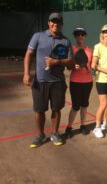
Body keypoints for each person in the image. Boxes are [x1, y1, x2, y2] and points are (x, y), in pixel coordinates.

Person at [23, 12, 73, 147]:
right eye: (53, 21)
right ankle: (40, 135)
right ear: (49, 23)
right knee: (39, 110)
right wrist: (26, 73)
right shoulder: (38, 36)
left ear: (62, 24)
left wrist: (56, 62)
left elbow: (70, 62)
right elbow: (29, 54)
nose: (55, 24)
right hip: (40, 81)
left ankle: (55, 133)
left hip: (58, 82)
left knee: (56, 109)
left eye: (58, 22)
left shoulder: (66, 41)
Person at [65, 28, 93, 138]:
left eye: (82, 34)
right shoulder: (71, 49)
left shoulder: (90, 50)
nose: (80, 36)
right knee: (75, 106)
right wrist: (73, 66)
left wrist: (92, 70)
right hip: (75, 82)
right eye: (77, 34)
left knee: (84, 104)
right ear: (75, 37)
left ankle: (83, 125)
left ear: (85, 36)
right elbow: (68, 67)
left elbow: (92, 65)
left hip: (88, 82)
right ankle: (69, 127)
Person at [91, 24, 107, 138]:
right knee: (103, 103)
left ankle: (105, 123)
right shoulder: (98, 47)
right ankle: (97, 127)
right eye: (106, 32)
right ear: (102, 34)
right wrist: (106, 70)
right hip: (102, 79)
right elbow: (93, 65)